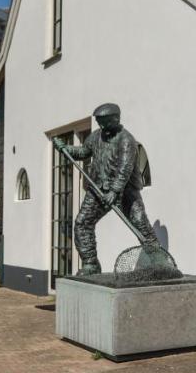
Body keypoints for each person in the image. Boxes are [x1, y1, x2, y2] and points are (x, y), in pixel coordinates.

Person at [54, 103, 158, 276]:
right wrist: (67, 149)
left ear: (116, 119)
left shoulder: (127, 140)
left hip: (125, 192)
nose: (101, 126)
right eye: (99, 123)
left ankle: (157, 261)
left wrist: (115, 192)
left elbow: (124, 169)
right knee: (82, 223)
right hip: (98, 189)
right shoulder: (96, 137)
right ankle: (91, 264)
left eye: (105, 122)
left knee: (140, 223)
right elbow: (84, 152)